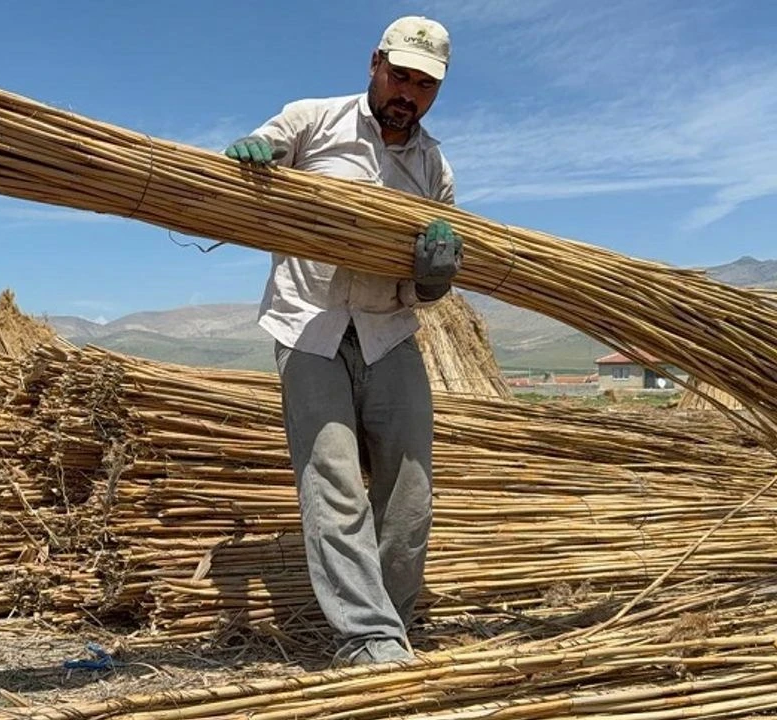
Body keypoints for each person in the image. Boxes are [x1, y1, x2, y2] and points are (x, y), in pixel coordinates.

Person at [223, 15, 463, 667]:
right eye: (400, 76)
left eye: (424, 85)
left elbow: (426, 291)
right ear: (375, 63)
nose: (407, 93)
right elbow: (257, 155)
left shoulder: (434, 170)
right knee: (331, 481)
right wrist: (250, 157)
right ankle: (368, 638)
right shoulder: (313, 121)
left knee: (409, 497)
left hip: (389, 333)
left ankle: (392, 620)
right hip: (311, 327)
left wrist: (435, 276)